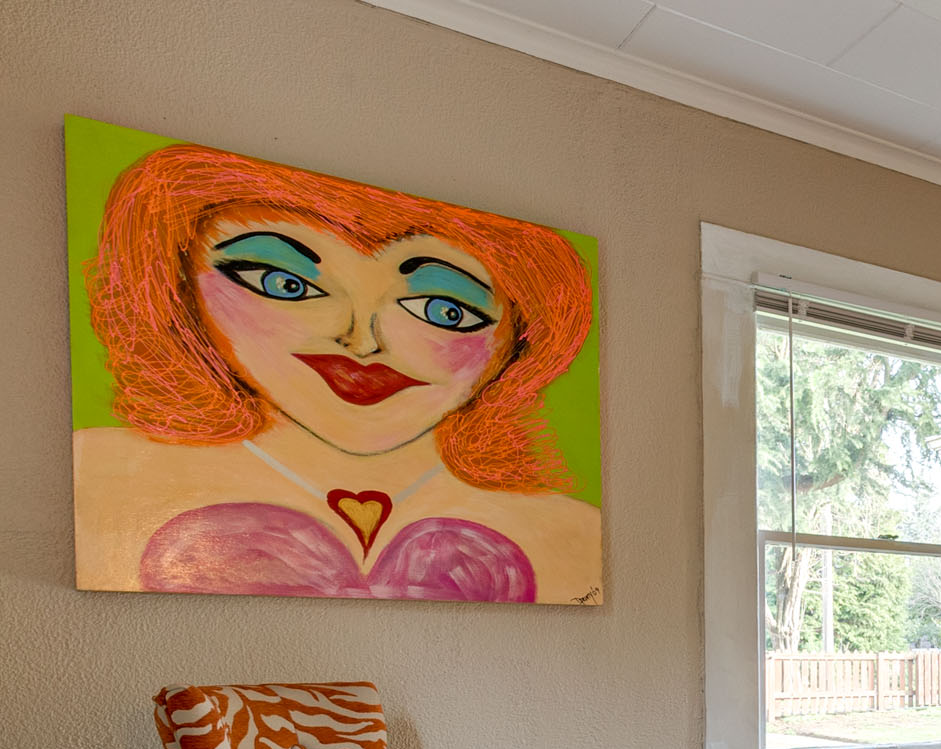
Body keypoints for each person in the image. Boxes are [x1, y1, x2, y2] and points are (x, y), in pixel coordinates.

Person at [73, 142, 599, 604]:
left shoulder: (573, 531)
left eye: (444, 310)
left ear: (519, 342)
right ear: (178, 284)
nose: (361, 341)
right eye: (284, 283)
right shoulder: (98, 472)